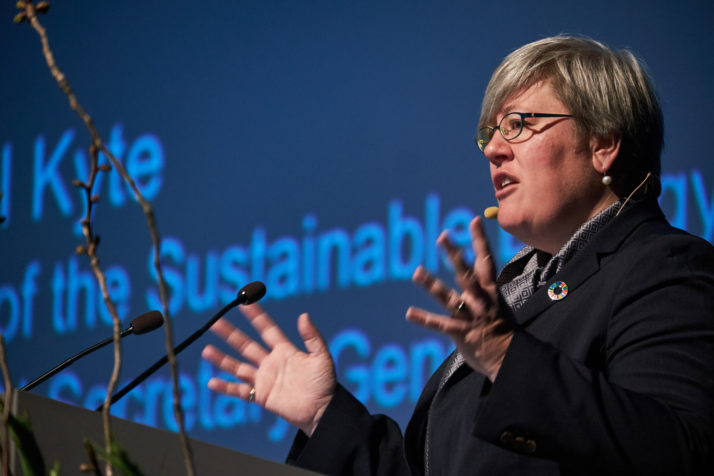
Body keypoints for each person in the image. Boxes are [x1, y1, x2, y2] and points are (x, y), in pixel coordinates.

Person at [201, 36, 714, 475]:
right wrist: (324, 416)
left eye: (518, 124)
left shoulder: (664, 266)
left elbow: (679, 449)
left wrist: (507, 358)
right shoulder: (519, 298)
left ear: (603, 144)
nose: (493, 149)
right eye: (490, 133)